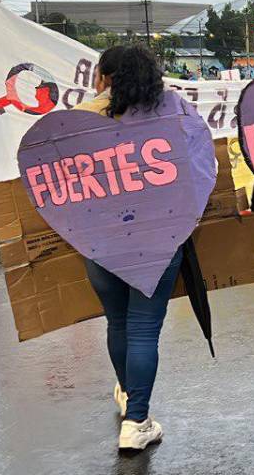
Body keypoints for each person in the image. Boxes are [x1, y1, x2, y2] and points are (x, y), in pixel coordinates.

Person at [73, 43, 192, 451]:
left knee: (118, 322)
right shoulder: (172, 112)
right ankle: (137, 420)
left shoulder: (81, 118)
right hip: (159, 237)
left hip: (99, 240)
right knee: (144, 328)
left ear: (105, 78)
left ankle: (128, 397)